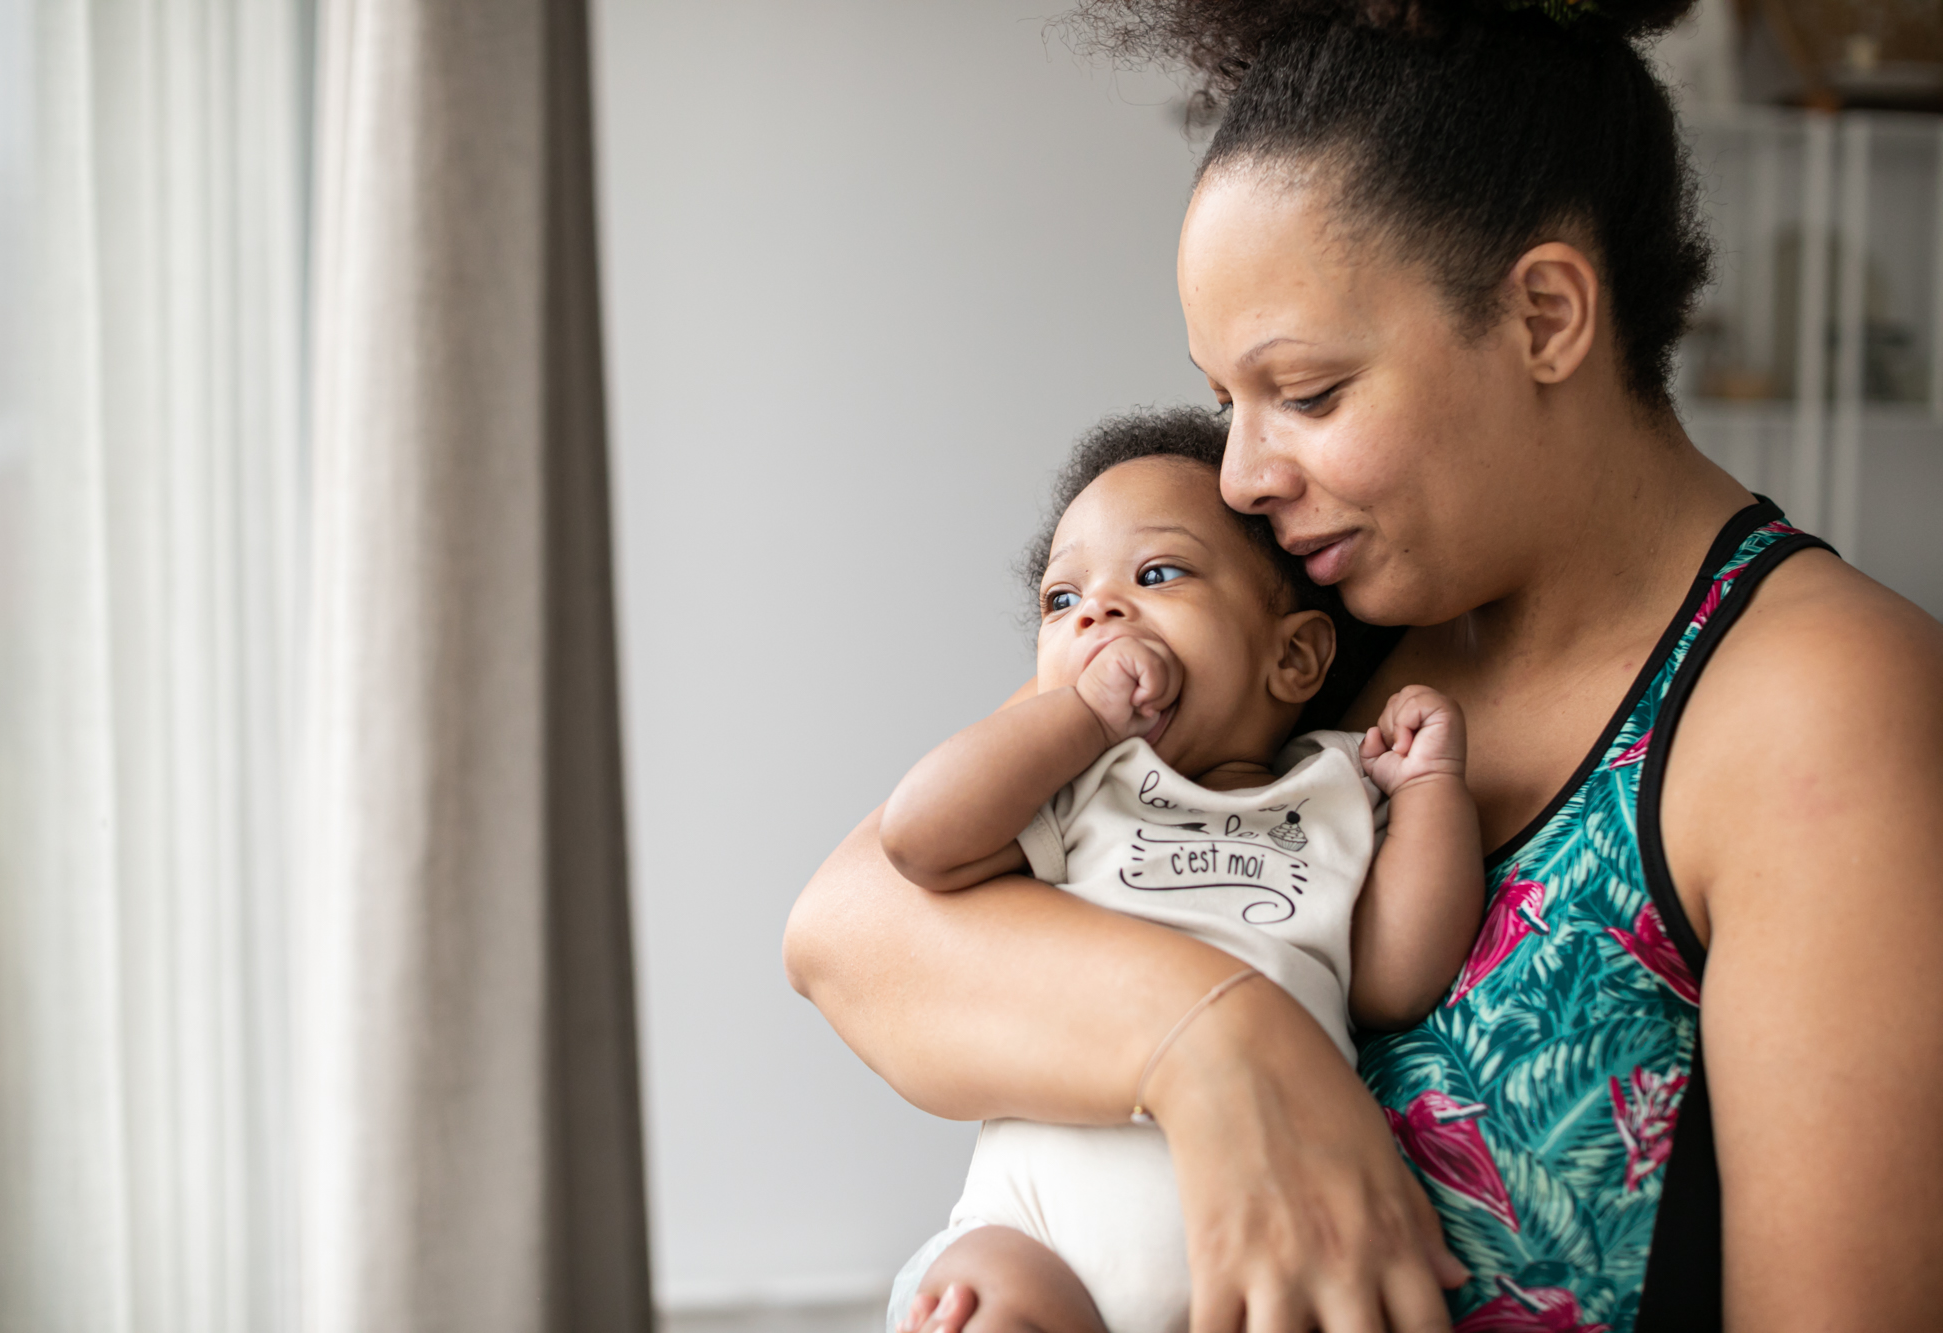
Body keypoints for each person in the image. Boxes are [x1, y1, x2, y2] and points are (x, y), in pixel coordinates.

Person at [783, 0, 1943, 1327]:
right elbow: (846, 926)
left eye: (1308, 395)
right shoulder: (1304, 603)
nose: (1240, 477)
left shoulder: (1817, 698)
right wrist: (1219, 1041)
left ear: (1545, 315)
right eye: (1225, 401)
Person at [877, 411, 1485, 1333]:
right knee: (983, 1300)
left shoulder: (1336, 785)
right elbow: (919, 838)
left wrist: (1433, 788)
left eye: (1156, 574)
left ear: (1294, 656)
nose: (1097, 612)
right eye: (1060, 600)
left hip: (1266, 1248)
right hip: (1036, 1237)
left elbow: (1398, 975)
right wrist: (1080, 718)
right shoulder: (1074, 785)